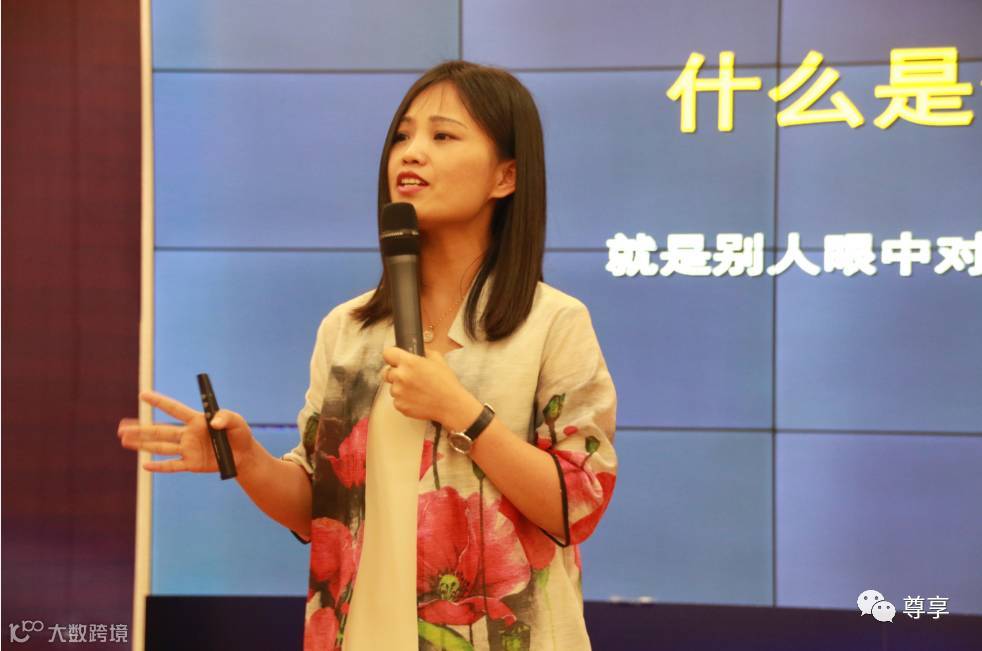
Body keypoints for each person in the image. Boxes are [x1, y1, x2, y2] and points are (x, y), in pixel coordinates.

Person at [118, 60, 617, 651]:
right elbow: (319, 513)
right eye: (402, 136)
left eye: (443, 136)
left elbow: (575, 506)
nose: (411, 153)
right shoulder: (348, 330)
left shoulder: (552, 323)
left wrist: (463, 412)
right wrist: (247, 459)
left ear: (505, 177)